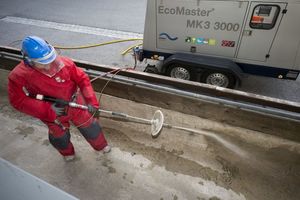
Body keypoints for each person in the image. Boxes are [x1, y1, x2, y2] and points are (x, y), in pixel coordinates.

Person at [8, 36, 111, 161]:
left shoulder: (64, 63)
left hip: (76, 103)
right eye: (42, 64)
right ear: (28, 60)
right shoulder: (18, 76)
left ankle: (101, 146)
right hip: (52, 112)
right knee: (59, 137)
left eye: (50, 60)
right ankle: (67, 153)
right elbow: (18, 100)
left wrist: (91, 102)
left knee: (91, 128)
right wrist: (49, 110)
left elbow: (82, 79)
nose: (48, 67)